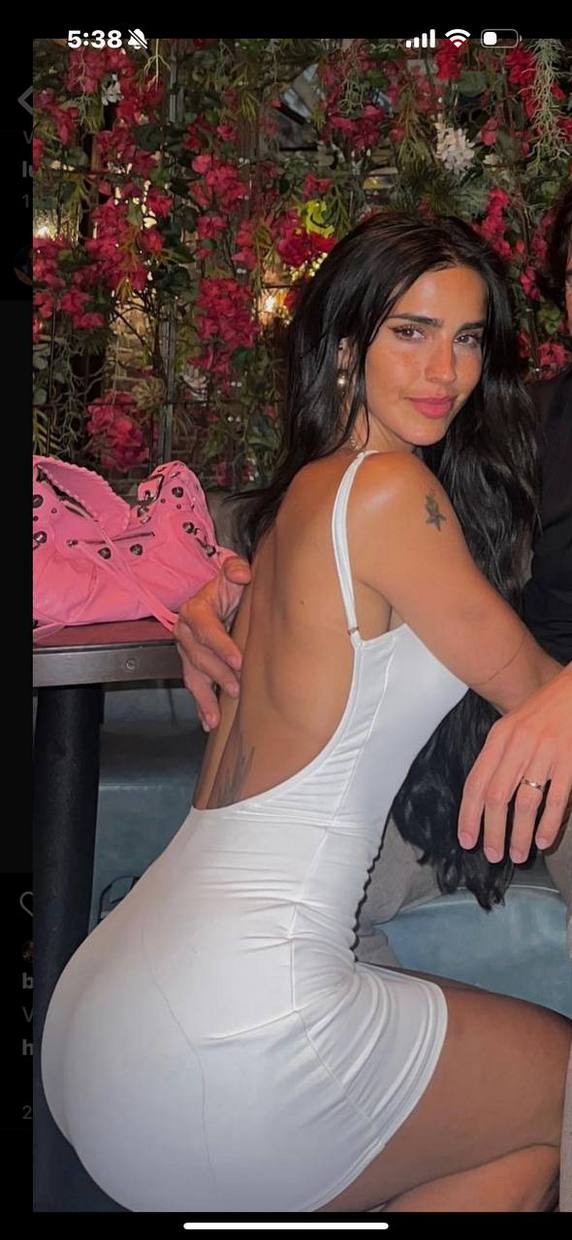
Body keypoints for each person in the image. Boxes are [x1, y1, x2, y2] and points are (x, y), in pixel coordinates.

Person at [41, 213, 571, 1213]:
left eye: (466, 337)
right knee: (559, 1089)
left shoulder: (301, 504)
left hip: (103, 1017)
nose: (445, 370)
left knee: (502, 1149)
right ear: (344, 343)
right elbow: (539, 692)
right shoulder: (387, 494)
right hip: (234, 1031)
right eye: (410, 332)